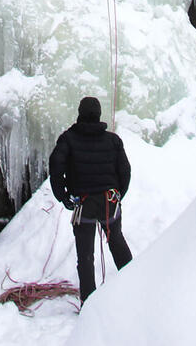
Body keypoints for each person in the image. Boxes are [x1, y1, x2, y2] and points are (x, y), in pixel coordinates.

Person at [48, 96, 133, 305]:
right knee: (117, 242)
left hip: (83, 204)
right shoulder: (112, 140)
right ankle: (135, 288)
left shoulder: (68, 139)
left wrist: (63, 197)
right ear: (99, 115)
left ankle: (89, 303)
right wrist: (119, 194)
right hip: (108, 202)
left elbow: (56, 168)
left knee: (85, 255)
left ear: (79, 113)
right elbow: (125, 171)